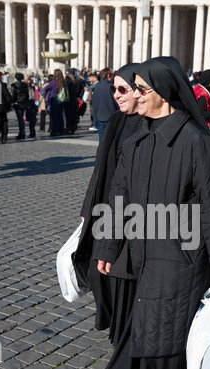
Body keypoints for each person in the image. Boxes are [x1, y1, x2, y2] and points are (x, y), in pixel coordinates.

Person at [93, 56, 210, 369]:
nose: (136, 96)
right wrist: (108, 246)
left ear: (166, 93)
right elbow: (118, 195)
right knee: (145, 320)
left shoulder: (195, 141)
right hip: (143, 245)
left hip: (180, 252)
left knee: (159, 324)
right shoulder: (138, 134)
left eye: (143, 89)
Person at [73, 63, 143, 348]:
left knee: (120, 274)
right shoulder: (116, 120)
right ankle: (114, 320)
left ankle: (125, 333)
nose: (115, 94)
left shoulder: (150, 122)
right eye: (113, 88)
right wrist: (87, 209)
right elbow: (100, 167)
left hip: (135, 214)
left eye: (122, 89)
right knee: (96, 271)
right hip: (107, 209)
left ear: (141, 90)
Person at [91, 68, 119, 141]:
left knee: (102, 139)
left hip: (100, 116)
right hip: (111, 116)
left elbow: (93, 102)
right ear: (108, 76)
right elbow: (116, 101)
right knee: (111, 139)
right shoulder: (111, 87)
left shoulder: (97, 86)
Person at [41, 69, 65, 136]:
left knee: (54, 116)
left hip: (54, 99)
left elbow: (46, 88)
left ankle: (56, 131)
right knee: (60, 116)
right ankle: (61, 130)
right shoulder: (63, 81)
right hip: (62, 100)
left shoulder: (53, 82)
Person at [11, 72, 29, 140]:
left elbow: (13, 95)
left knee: (20, 119)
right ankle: (22, 132)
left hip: (17, 103)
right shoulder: (25, 85)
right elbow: (27, 95)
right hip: (23, 103)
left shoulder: (14, 85)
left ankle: (22, 133)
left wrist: (11, 102)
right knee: (21, 118)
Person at [0, 70, 12, 144]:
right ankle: (3, 138)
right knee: (4, 122)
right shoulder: (2, 84)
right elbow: (7, 96)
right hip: (1, 107)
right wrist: (8, 105)